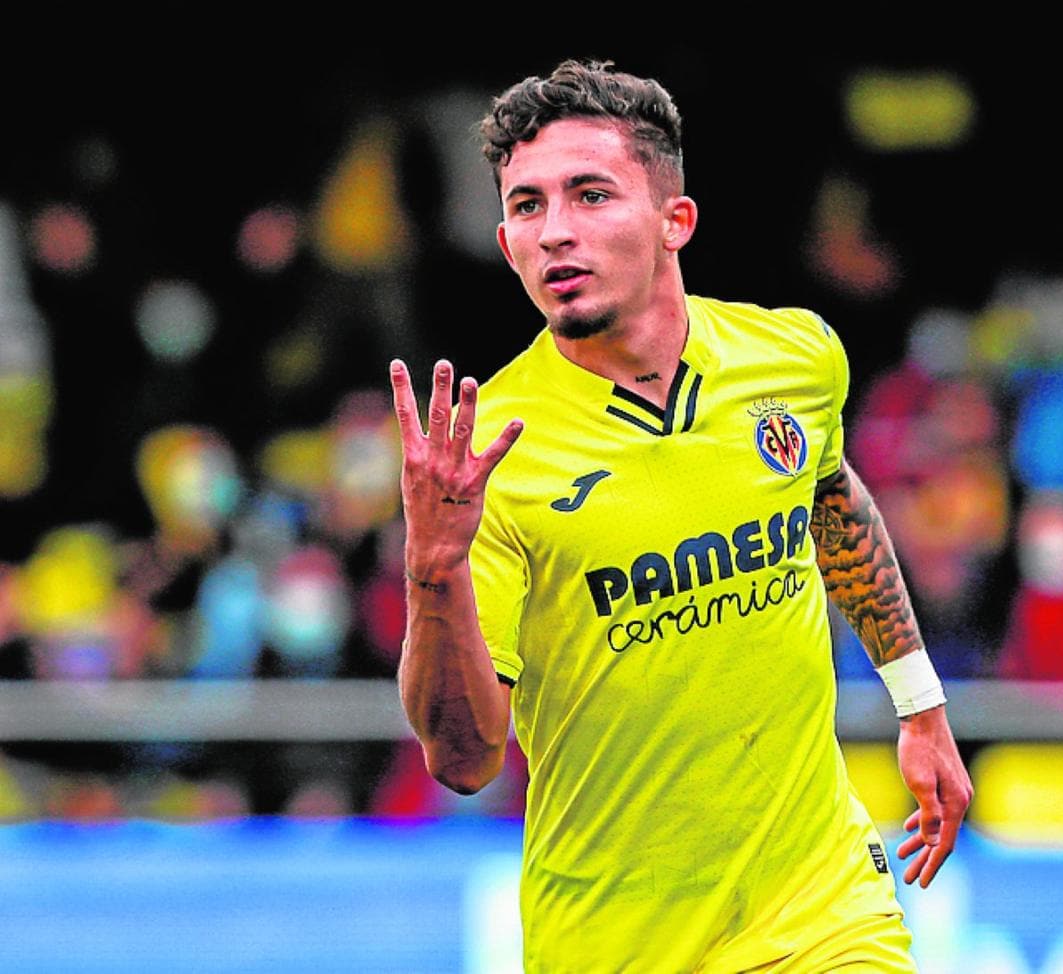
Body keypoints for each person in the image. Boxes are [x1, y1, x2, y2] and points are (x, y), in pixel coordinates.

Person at [389, 59, 971, 973]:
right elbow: (464, 761)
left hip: (820, 905)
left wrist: (919, 705)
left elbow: (831, 504)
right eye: (529, 208)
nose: (556, 234)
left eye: (590, 195)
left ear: (675, 221)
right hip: (615, 939)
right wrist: (434, 570)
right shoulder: (492, 457)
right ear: (506, 244)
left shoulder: (796, 357)